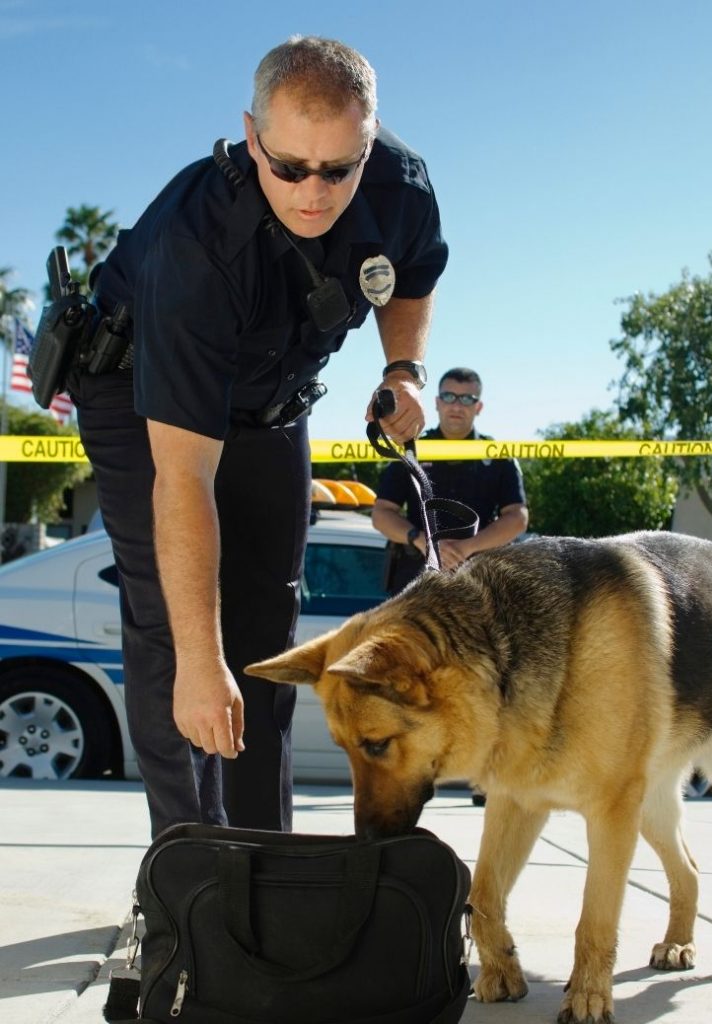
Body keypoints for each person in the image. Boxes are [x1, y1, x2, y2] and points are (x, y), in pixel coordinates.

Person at [67, 36, 448, 838]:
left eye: (338, 170)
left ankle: (262, 857)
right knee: (180, 640)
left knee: (265, 638)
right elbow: (183, 481)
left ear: (368, 145)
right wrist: (202, 667)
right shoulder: (197, 244)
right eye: (289, 167)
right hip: (141, 390)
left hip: (272, 392)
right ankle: (189, 874)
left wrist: (405, 369)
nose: (314, 193)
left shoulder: (402, 188)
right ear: (251, 137)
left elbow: (411, 276)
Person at [372, 368, 528, 593]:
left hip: (480, 584)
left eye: (467, 398)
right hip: (416, 583)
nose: (456, 406)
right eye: (448, 397)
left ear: (479, 407)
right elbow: (381, 514)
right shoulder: (411, 452)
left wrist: (465, 549)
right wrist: (424, 542)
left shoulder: (497, 455)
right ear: (436, 402)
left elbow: (518, 518)